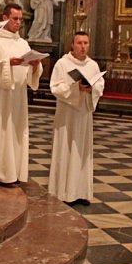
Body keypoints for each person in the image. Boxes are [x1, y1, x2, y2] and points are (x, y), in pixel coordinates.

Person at [0, 3, 43, 186]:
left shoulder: (23, 43)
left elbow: (29, 69)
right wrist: (7, 63)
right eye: (15, 18)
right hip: (0, 94)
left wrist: (35, 66)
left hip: (19, 95)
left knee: (16, 131)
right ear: (5, 18)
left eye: (21, 19)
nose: (18, 22)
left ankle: (13, 173)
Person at [48, 31, 104, 205]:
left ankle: (80, 192)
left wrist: (91, 89)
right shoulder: (62, 64)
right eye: (79, 43)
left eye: (86, 43)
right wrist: (75, 88)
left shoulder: (92, 65)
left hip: (84, 114)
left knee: (82, 151)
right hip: (67, 115)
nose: (83, 47)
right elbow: (55, 88)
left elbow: (99, 85)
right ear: (72, 45)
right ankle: (64, 192)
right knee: (66, 148)